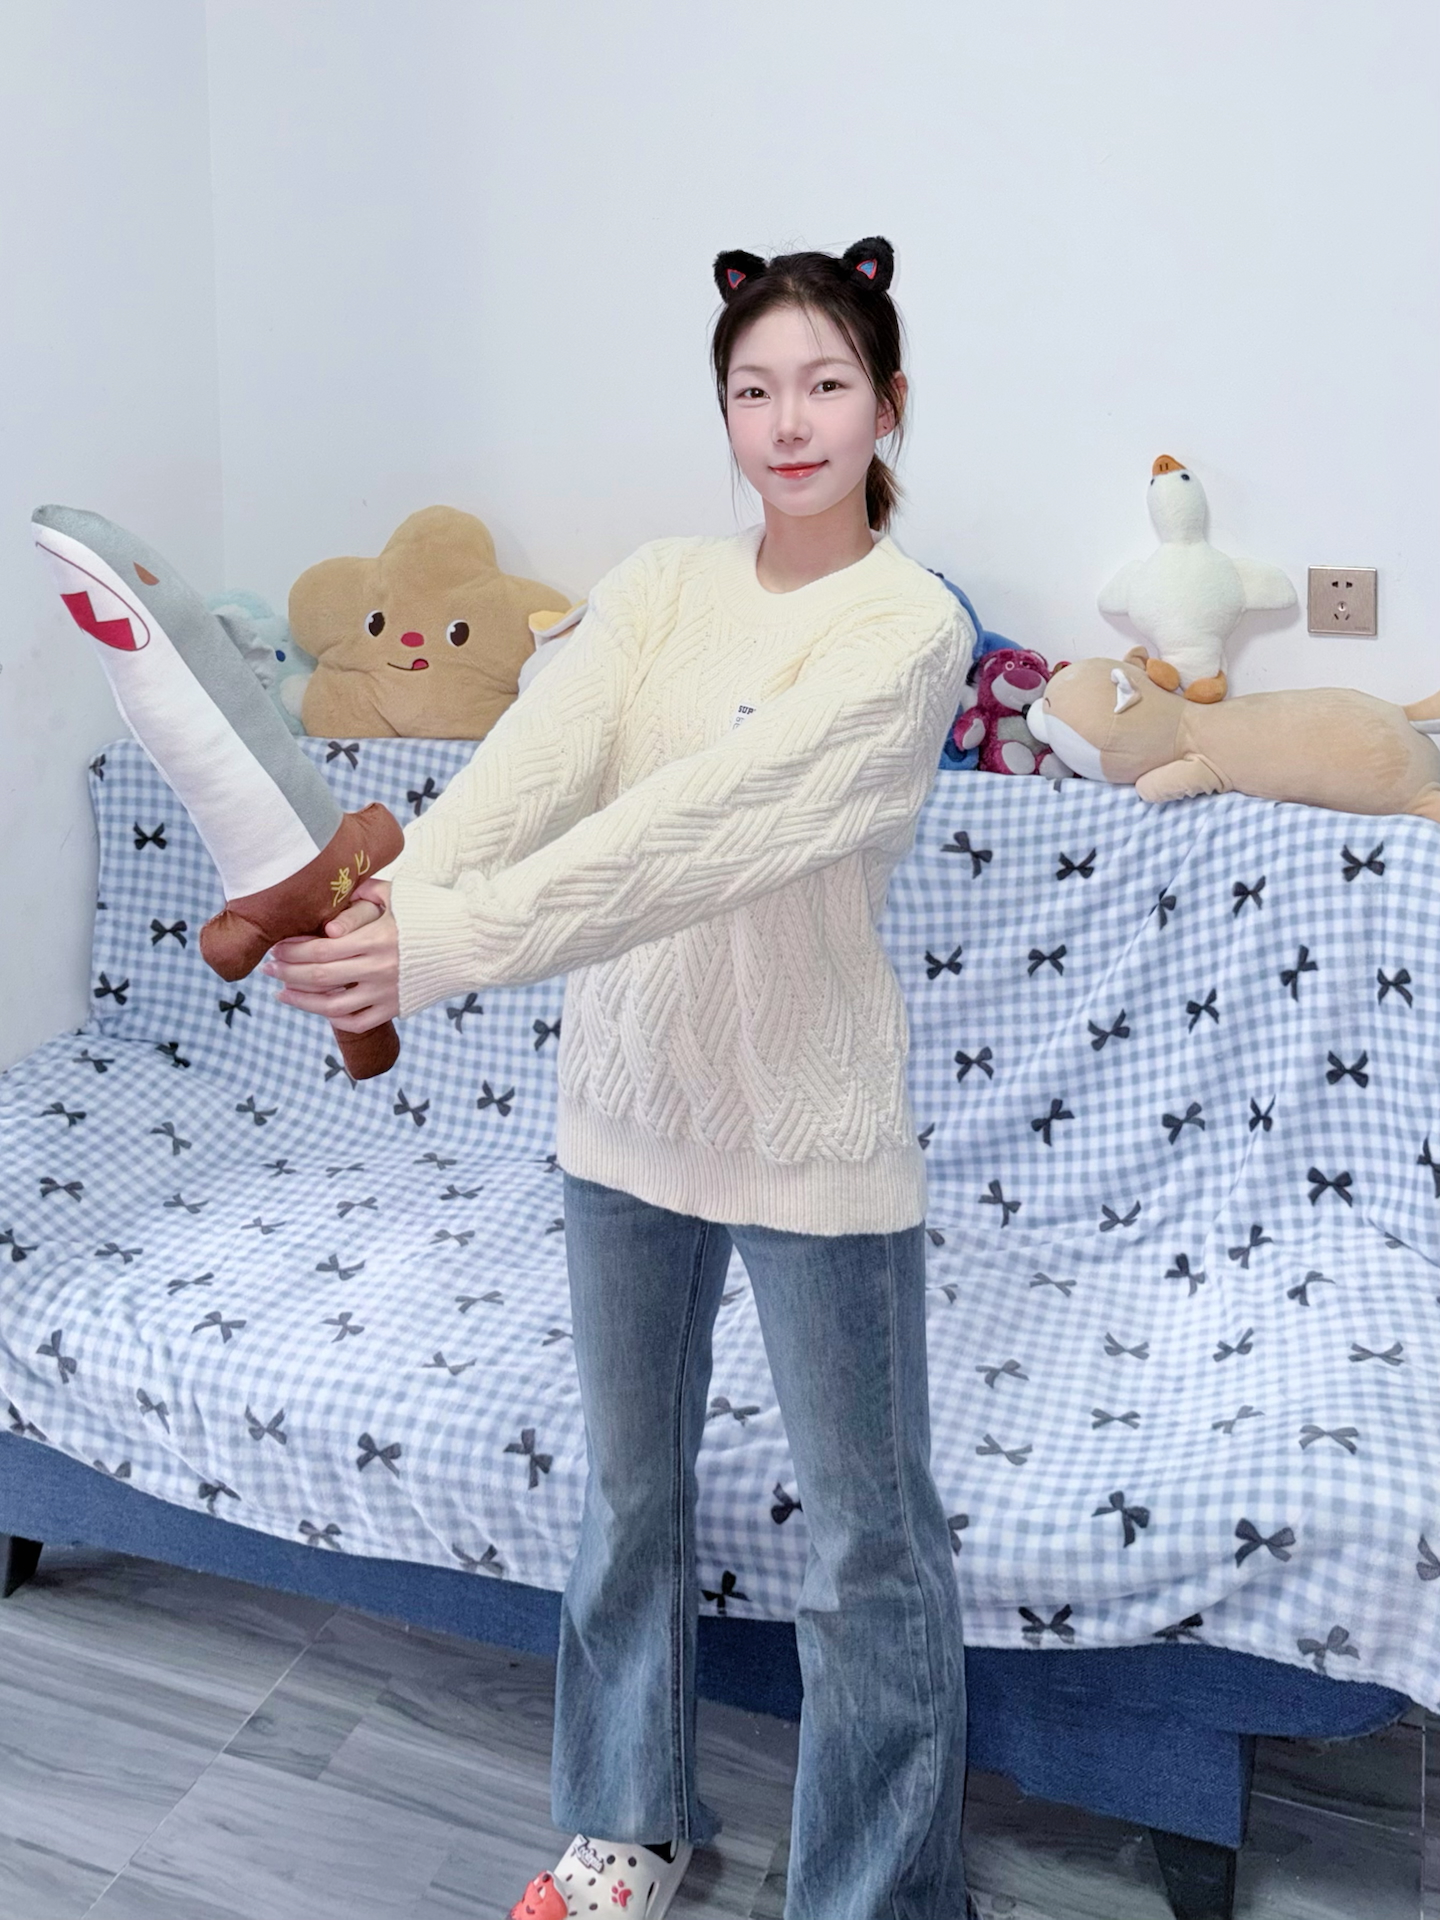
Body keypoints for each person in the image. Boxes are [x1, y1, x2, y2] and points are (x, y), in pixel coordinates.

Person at [265, 236, 978, 1920]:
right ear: (721, 410)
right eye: (754, 389)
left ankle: (877, 1895)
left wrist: (452, 944)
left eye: (825, 385)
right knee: (627, 1491)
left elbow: (703, 830)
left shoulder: (908, 630)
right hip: (629, 1103)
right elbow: (536, 768)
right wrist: (399, 899)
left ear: (888, 403)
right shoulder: (658, 587)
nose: (788, 422)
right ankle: (625, 1829)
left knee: (870, 1541)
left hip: (810, 1124)